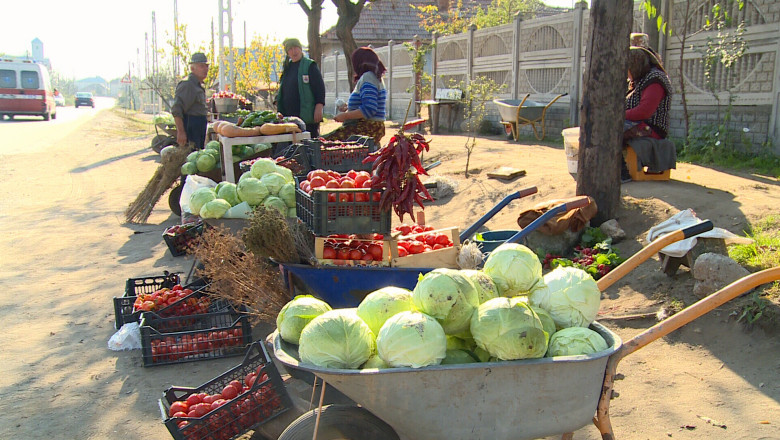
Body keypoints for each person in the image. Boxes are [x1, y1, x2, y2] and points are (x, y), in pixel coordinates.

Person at [621, 34, 673, 182]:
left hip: (651, 128)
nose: (627, 74)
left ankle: (622, 173)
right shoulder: (640, 78)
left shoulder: (655, 79)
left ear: (635, 64)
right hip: (638, 123)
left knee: (612, 130)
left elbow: (645, 111)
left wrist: (619, 115)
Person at [322, 47, 387, 145]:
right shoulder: (374, 78)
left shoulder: (368, 77)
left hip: (366, 127)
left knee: (320, 143)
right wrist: (348, 108)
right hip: (371, 127)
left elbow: (369, 109)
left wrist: (345, 116)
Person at [275, 38, 326, 137]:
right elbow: (283, 88)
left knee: (309, 142)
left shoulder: (309, 65)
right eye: (290, 49)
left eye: (296, 48)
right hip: (289, 118)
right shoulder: (287, 68)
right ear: (287, 53)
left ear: (300, 49)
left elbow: (319, 88)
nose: (294, 51)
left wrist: (319, 107)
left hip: (306, 116)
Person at [172, 52, 210, 149]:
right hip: (191, 128)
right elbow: (177, 109)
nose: (206, 69)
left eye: (206, 66)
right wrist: (181, 132)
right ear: (192, 68)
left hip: (198, 128)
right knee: (191, 155)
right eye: (202, 66)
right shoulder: (188, 84)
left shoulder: (197, 85)